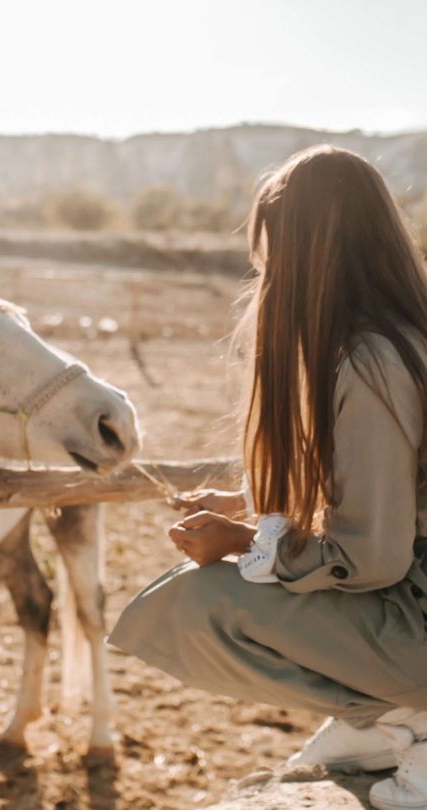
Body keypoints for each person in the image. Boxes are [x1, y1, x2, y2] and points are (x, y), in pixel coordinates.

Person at [108, 145, 427, 810]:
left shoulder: (373, 364)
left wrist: (243, 544)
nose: (265, 272)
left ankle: (402, 714)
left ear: (310, 252)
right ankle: (391, 714)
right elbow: (388, 494)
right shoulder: (399, 340)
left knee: (201, 601)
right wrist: (249, 509)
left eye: (271, 252)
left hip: (417, 621)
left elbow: (370, 556)